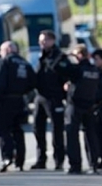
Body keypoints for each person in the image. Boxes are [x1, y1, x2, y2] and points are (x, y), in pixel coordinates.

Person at [0, 41, 36, 173]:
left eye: (1, 50)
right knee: (18, 131)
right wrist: (22, 91)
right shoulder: (25, 63)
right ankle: (20, 161)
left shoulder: (4, 62)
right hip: (19, 100)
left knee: (3, 130)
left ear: (8, 50)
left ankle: (7, 157)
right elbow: (33, 82)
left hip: (5, 101)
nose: (0, 53)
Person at [55, 43, 100, 175]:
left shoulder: (77, 69)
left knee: (72, 135)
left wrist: (64, 56)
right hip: (90, 105)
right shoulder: (94, 69)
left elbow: (57, 67)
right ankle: (94, 164)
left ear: (79, 55)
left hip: (75, 105)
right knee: (91, 135)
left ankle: (75, 165)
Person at [31, 30, 70, 170]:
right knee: (37, 128)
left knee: (57, 130)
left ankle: (59, 160)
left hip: (54, 97)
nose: (42, 43)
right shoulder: (41, 56)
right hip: (40, 97)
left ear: (52, 41)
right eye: (40, 41)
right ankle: (41, 160)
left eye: (44, 40)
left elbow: (67, 75)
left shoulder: (60, 57)